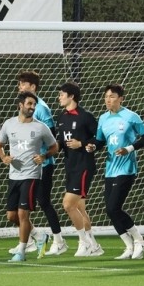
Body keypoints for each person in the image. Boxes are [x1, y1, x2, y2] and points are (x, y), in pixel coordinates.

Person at [86, 84, 144, 260]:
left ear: (121, 98)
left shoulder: (131, 116)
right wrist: (93, 145)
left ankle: (140, 239)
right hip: (110, 168)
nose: (108, 100)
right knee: (110, 210)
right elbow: (100, 140)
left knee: (114, 206)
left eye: (112, 96)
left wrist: (129, 148)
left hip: (126, 168)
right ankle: (129, 246)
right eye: (106, 96)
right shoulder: (103, 119)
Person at [0, 91, 59, 262]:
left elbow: (54, 147)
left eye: (34, 105)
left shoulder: (40, 127)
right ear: (20, 105)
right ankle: (39, 236)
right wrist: (4, 157)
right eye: (29, 104)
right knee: (11, 216)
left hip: (32, 175)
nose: (32, 107)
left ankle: (21, 251)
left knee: (23, 214)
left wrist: (44, 156)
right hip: (14, 175)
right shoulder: (9, 124)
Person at [8, 71, 63, 257]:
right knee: (20, 209)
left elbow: (52, 137)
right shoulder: (24, 108)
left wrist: (43, 156)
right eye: (19, 84)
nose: (20, 87)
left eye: (23, 84)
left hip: (42, 165)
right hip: (25, 166)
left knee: (43, 202)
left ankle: (57, 240)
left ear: (33, 87)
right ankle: (33, 239)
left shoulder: (41, 108)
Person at [55, 82, 103, 257]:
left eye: (62, 94)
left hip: (84, 166)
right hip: (70, 166)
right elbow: (60, 142)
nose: (59, 97)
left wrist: (82, 144)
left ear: (71, 96)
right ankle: (94, 245)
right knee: (80, 208)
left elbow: (100, 139)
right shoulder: (61, 118)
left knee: (68, 204)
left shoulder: (86, 117)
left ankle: (84, 243)